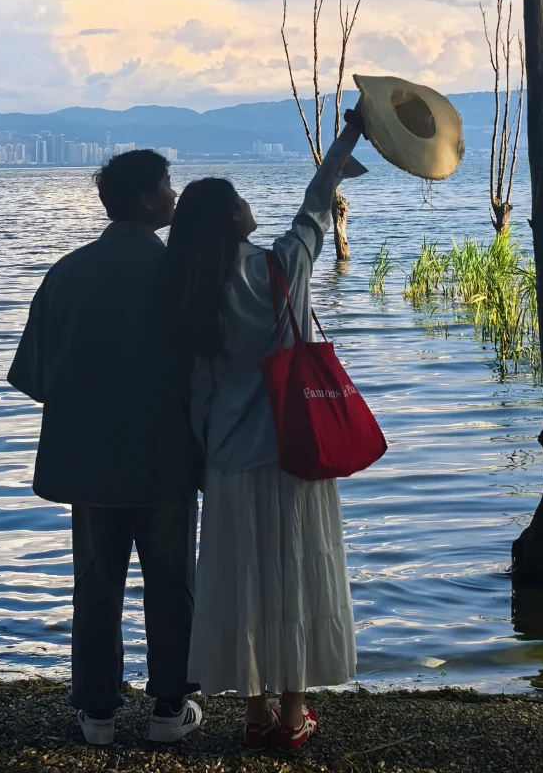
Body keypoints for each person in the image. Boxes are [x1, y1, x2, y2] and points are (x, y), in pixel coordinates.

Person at [166, 108, 368, 756]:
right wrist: (353, 132)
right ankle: (293, 713)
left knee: (240, 577)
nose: (252, 203)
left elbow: (196, 391)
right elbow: (317, 201)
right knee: (296, 573)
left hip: (227, 455)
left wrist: (199, 459)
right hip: (294, 449)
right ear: (232, 217)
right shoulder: (281, 267)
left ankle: (253, 714)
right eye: (242, 200)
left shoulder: (195, 291)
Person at [7, 149, 202, 748]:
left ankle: (96, 712)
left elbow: (35, 378)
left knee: (95, 584)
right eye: (167, 186)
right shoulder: (179, 274)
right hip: (164, 462)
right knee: (172, 583)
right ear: (147, 200)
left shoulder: (66, 273)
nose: (174, 195)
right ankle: (170, 706)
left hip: (87, 464)